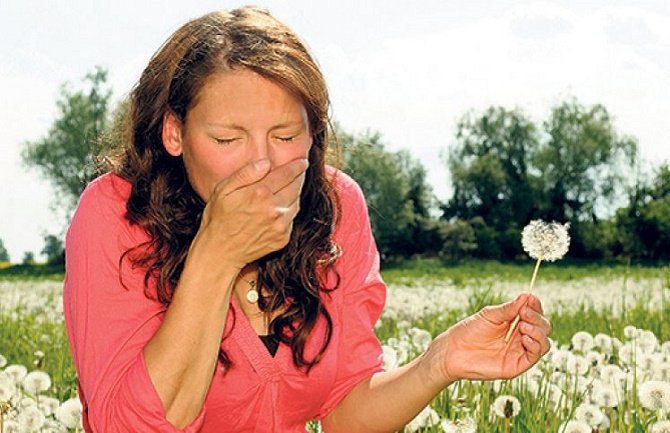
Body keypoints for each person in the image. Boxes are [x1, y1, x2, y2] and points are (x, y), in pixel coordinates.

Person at [63, 6, 552, 433]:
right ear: (175, 132)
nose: (262, 166)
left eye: (285, 136)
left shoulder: (336, 206)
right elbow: (128, 426)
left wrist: (440, 362)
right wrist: (216, 256)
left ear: (314, 133)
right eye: (228, 140)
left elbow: (345, 411)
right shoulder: (115, 215)